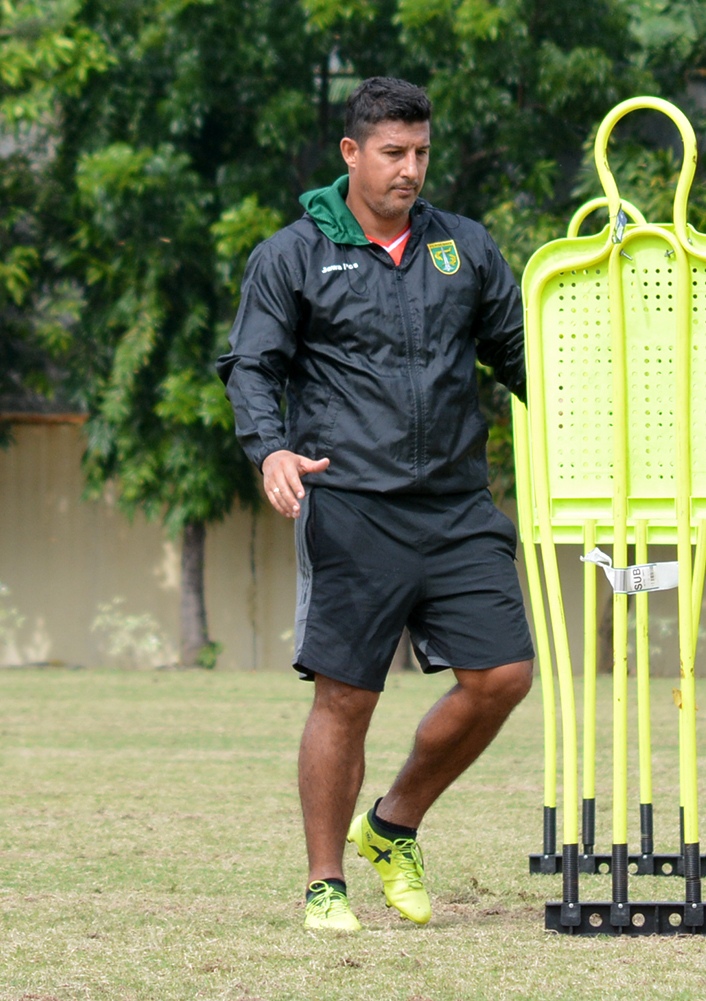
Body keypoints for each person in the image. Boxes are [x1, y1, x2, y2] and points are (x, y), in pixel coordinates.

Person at [216, 77, 533, 933]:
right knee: (346, 697)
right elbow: (253, 365)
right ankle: (325, 881)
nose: (410, 169)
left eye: (422, 152)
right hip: (351, 502)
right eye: (393, 152)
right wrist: (270, 447)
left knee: (503, 676)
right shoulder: (292, 254)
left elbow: (523, 357)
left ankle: (392, 825)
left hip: (459, 507)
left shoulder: (462, 248)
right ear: (352, 153)